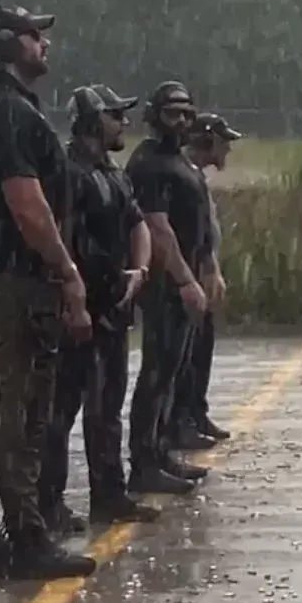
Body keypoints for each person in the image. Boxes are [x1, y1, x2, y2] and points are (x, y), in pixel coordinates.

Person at [0, 2, 96, 581]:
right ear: (9, 45)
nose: (45, 45)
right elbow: (27, 204)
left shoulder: (5, 110)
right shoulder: (9, 114)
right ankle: (26, 535)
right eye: (35, 36)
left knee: (4, 400)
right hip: (22, 277)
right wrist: (66, 269)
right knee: (27, 407)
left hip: (8, 271)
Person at [39, 86, 160, 529]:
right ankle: (47, 503)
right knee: (62, 411)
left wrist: (140, 271)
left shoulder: (113, 173)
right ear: (91, 121)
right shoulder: (68, 174)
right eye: (115, 115)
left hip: (115, 303)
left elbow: (138, 224)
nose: (124, 122)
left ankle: (109, 494)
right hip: (82, 306)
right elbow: (61, 238)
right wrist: (74, 303)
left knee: (107, 408)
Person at [126, 81, 212, 496]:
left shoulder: (175, 160)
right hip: (165, 284)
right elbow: (158, 228)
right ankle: (143, 461)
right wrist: (185, 279)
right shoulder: (149, 164)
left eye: (186, 113)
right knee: (157, 372)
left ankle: (159, 452)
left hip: (182, 279)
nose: (180, 120)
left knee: (172, 371)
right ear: (155, 116)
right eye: (172, 113)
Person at [170, 111, 241, 448]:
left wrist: (212, 266)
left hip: (201, 268)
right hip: (187, 273)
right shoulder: (182, 174)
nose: (226, 149)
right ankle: (178, 422)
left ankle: (195, 413)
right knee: (181, 357)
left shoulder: (194, 175)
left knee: (201, 349)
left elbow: (204, 231)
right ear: (207, 141)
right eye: (222, 142)